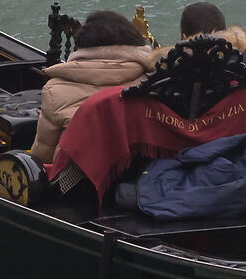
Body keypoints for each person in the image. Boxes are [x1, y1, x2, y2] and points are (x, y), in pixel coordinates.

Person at [31, 10, 157, 165]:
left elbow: (42, 155)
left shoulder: (55, 90)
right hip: (144, 173)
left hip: (75, 177)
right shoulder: (154, 83)